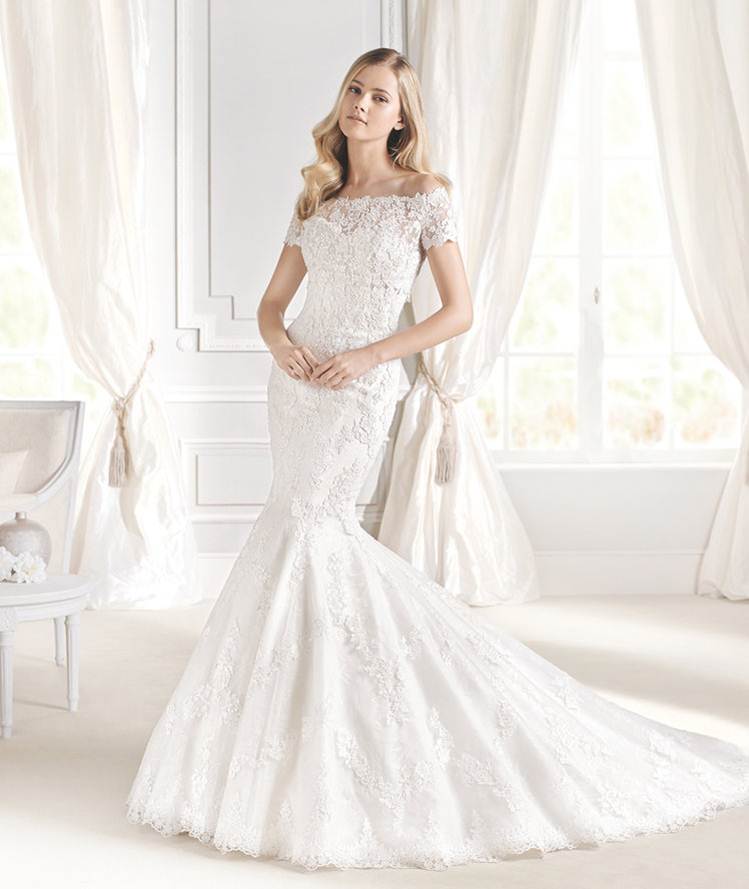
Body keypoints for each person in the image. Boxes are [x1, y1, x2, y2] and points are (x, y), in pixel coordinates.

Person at [125, 47, 749, 871]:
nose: (362, 105)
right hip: (298, 386)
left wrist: (372, 356)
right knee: (294, 531)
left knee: (315, 527)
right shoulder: (317, 196)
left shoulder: (424, 196)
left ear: (401, 119)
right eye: (355, 90)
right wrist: (280, 345)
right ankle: (288, 721)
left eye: (380, 98)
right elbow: (273, 305)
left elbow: (458, 312)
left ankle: (347, 715)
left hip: (359, 387)